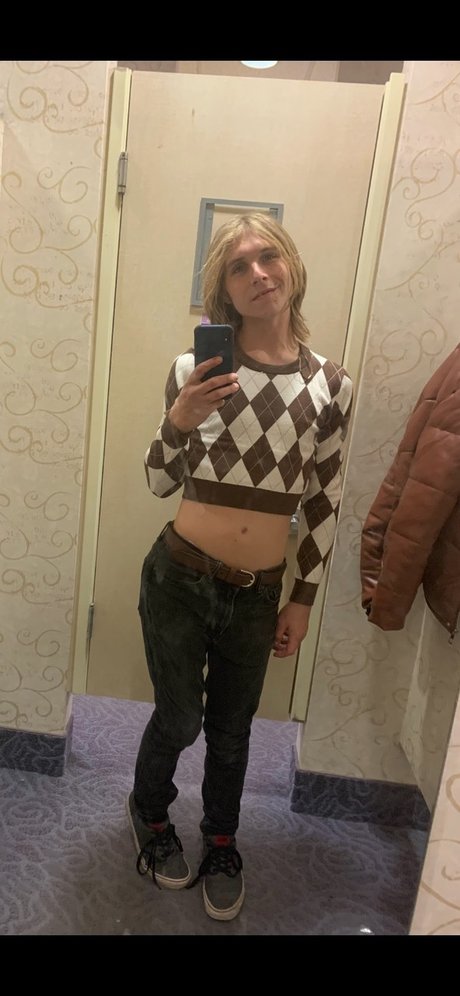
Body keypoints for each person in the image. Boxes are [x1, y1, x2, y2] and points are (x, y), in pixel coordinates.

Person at [126, 212, 353, 922]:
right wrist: (178, 421)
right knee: (179, 719)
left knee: (232, 731)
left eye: (269, 257)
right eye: (238, 266)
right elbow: (157, 481)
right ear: (222, 289)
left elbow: (324, 500)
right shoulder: (193, 371)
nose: (258, 274)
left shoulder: (331, 385)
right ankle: (149, 812)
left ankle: (221, 840)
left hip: (258, 593)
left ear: (291, 267)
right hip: (179, 577)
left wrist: (303, 599)